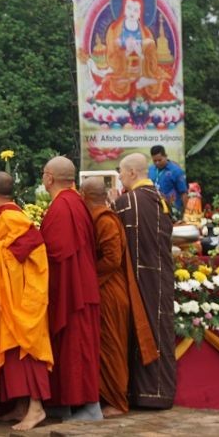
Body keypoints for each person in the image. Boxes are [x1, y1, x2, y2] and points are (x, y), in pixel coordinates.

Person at [80, 177, 158, 416]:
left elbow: (112, 259)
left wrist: (88, 274)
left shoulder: (105, 220)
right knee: (104, 345)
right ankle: (106, 396)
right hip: (104, 289)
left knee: (112, 345)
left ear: (84, 195)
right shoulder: (98, 217)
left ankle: (117, 401)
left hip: (111, 291)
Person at [0, 172, 52, 431]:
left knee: (27, 350)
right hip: (9, 295)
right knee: (13, 353)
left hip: (23, 298)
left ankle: (36, 408)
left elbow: (33, 249)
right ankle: (22, 406)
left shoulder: (13, 217)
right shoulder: (4, 217)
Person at [38, 156, 102, 421]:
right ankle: (65, 403)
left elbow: (55, 252)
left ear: (50, 178)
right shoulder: (75, 202)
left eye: (43, 174)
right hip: (81, 285)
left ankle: (89, 407)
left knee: (78, 348)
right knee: (70, 348)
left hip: (72, 290)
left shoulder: (63, 207)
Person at [113, 153, 175, 409]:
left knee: (143, 328)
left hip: (139, 277)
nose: (119, 178)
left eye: (121, 173)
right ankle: (162, 392)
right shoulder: (161, 199)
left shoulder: (128, 202)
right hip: (162, 274)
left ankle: (145, 393)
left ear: (131, 174)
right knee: (161, 328)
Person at [148, 145, 187, 217]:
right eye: (154, 161)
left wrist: (185, 213)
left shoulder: (176, 171)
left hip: (173, 211)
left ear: (165, 156)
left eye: (160, 160)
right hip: (155, 210)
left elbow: (183, 193)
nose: (157, 163)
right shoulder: (150, 170)